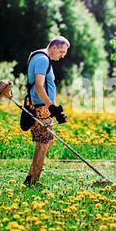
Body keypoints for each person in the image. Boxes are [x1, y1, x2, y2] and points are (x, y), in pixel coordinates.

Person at [23, 36, 70, 185]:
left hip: (43, 106)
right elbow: (38, 86)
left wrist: (55, 110)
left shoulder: (38, 55)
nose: (62, 56)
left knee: (45, 142)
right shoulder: (43, 59)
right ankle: (32, 182)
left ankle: (31, 177)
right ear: (54, 47)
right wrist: (51, 107)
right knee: (44, 143)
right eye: (61, 52)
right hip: (40, 107)